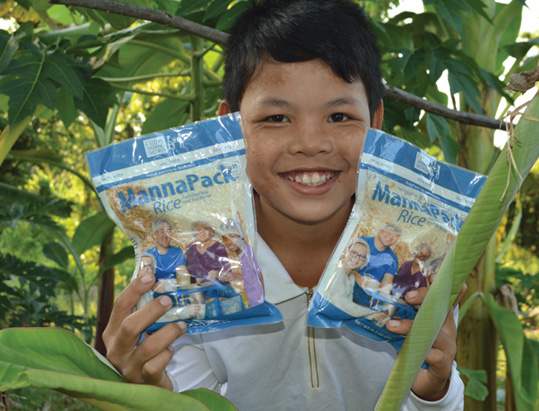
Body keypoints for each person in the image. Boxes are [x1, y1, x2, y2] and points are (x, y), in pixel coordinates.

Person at [102, 1, 464, 409]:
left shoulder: (415, 256)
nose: (310, 144)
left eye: (340, 116)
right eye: (276, 118)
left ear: (375, 122)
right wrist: (153, 394)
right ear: (231, 128)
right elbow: (192, 398)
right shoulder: (192, 269)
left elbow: (432, 386)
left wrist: (433, 392)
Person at [352, 224, 401, 309]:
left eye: (396, 236)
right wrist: (358, 277)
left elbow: (387, 281)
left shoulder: (392, 259)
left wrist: (386, 293)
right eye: (389, 233)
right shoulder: (361, 243)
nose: (391, 237)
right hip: (346, 287)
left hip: (364, 299)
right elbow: (343, 263)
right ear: (380, 231)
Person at [145, 217, 189, 285]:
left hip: (174, 292)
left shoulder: (177, 252)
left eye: (168, 231)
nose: (165, 235)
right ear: (155, 234)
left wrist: (185, 284)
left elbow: (183, 274)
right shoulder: (147, 255)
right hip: (155, 293)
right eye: (162, 231)